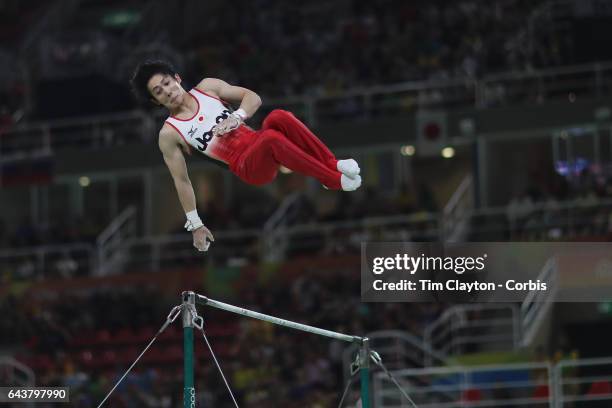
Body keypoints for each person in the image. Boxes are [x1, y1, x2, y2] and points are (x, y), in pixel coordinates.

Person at [130, 60, 361, 252]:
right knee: (271, 138)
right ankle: (330, 179)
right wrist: (195, 224)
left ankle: (333, 163)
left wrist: (238, 116)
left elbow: (253, 97)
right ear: (155, 101)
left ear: (177, 78)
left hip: (258, 142)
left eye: (167, 83)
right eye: (159, 92)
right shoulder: (170, 134)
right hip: (246, 166)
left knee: (279, 116)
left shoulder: (208, 88)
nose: (167, 91)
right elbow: (181, 180)